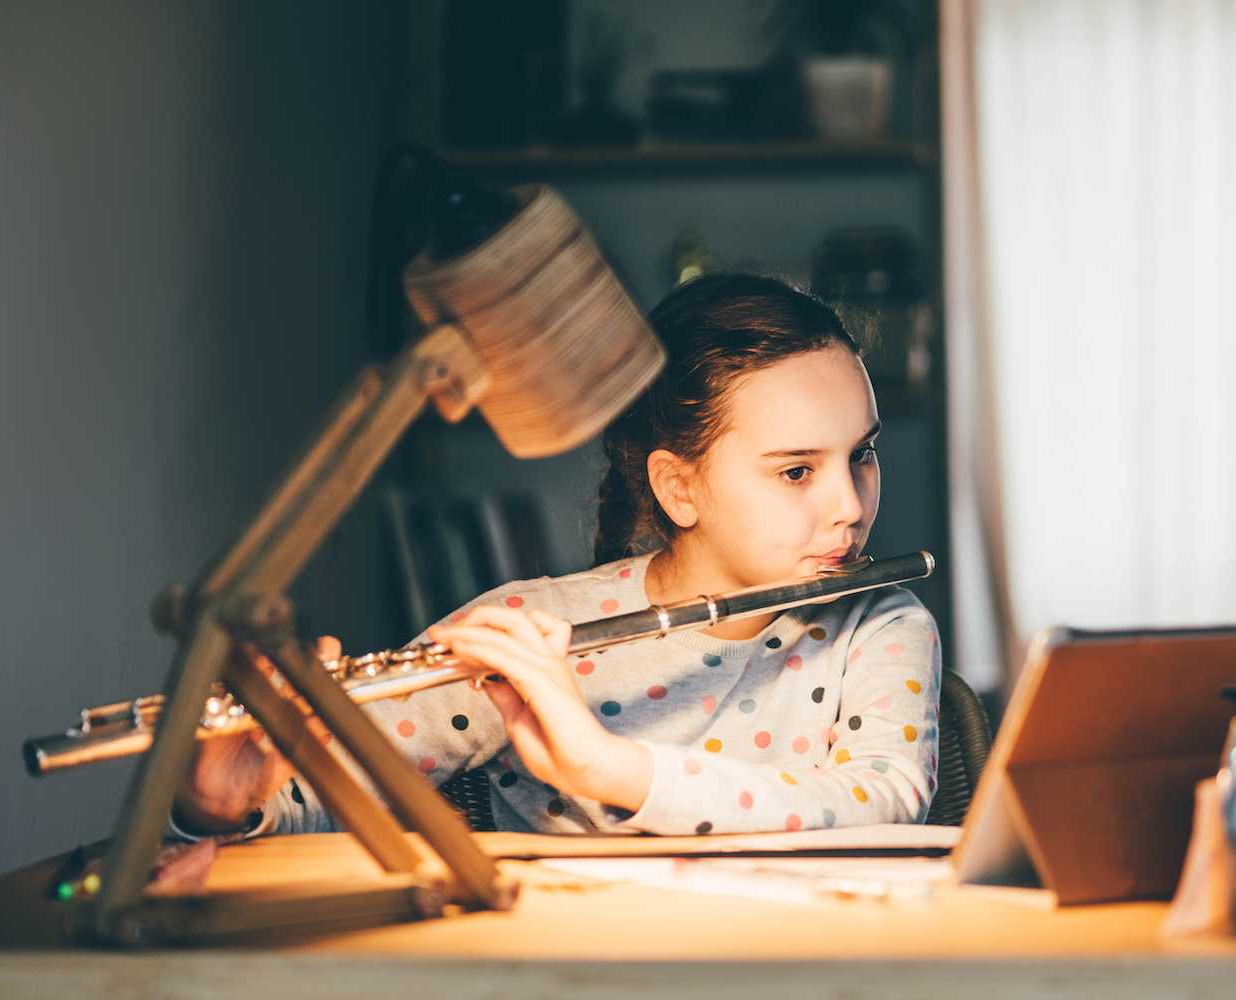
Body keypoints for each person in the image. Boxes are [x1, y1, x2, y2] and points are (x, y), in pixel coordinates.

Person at [175, 273, 941, 837]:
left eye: (861, 455)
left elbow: (883, 798)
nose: (849, 505)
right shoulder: (530, 632)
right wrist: (227, 805)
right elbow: (336, 800)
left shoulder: (878, 623)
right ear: (679, 488)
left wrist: (604, 769)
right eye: (797, 471)